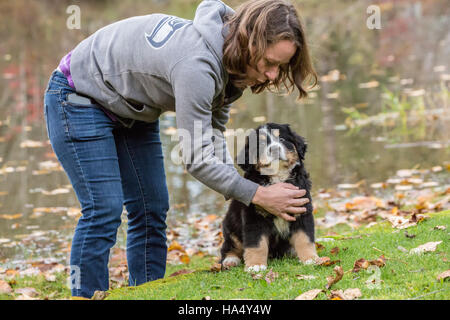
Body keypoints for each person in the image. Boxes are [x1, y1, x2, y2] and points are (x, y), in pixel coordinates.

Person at [43, 0, 317, 299]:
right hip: (78, 97)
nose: (274, 75)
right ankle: (85, 295)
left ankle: (145, 294)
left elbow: (212, 136)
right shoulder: (197, 66)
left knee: (151, 209)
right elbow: (197, 159)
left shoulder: (232, 63)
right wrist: (258, 195)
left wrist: (248, 193)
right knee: (104, 210)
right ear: (250, 42)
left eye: (281, 66)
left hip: (135, 110)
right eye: (270, 63)